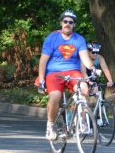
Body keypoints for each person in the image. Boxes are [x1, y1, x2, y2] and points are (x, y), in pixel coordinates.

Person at [36, 10, 100, 140]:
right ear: (61, 23)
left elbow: (85, 58)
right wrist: (41, 80)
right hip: (54, 73)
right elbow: (43, 61)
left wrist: (92, 68)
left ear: (74, 25)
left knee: (84, 89)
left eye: (70, 22)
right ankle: (50, 125)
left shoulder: (79, 39)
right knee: (55, 96)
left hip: (73, 71)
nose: (67, 24)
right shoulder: (51, 38)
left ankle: (79, 120)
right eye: (65, 21)